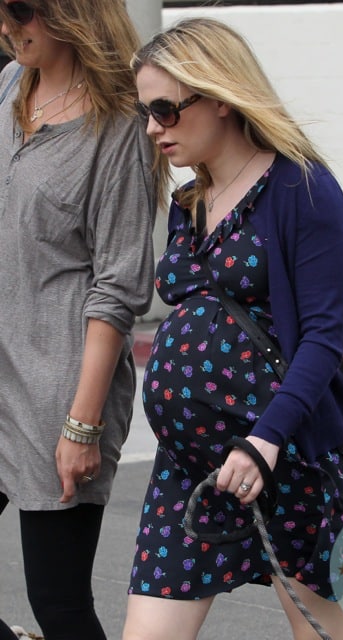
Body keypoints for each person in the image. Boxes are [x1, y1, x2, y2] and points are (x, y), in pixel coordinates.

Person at [123, 17, 343, 640]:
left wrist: (265, 441)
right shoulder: (189, 201)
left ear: (221, 96)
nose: (153, 128)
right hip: (191, 468)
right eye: (145, 112)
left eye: (165, 110)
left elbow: (321, 339)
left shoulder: (303, 189)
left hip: (284, 457)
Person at [0, 1, 156, 639]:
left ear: (71, 11)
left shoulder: (118, 126)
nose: (7, 26)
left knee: (57, 605)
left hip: (56, 387)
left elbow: (119, 286)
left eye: (23, 11)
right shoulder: (11, 85)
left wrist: (81, 424)